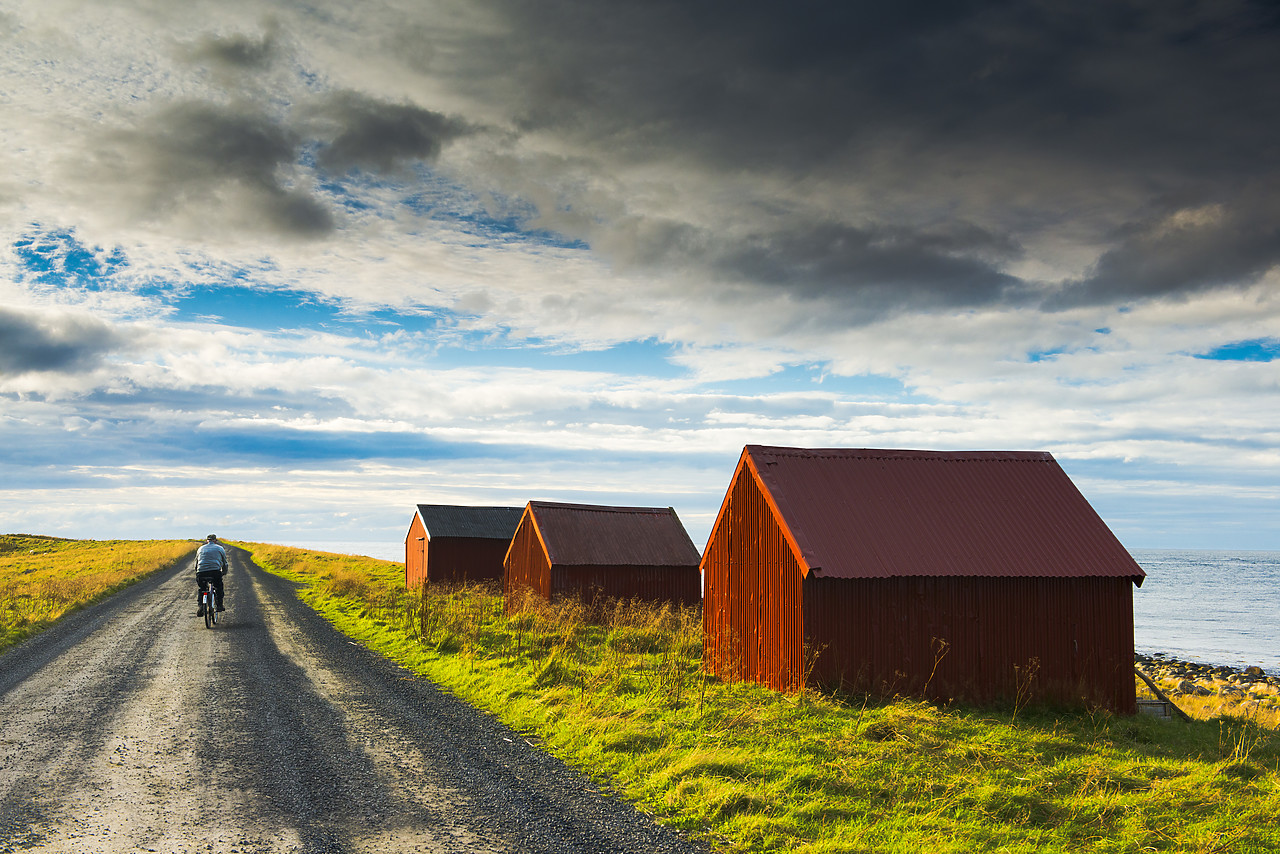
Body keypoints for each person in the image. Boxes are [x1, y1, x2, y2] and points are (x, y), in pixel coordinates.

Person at [195, 534, 228, 616]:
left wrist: (198, 571)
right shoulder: (220, 548)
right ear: (215, 540)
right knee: (218, 587)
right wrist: (224, 572)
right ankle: (219, 605)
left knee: (201, 589)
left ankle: (200, 606)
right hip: (215, 572)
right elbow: (225, 563)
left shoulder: (200, 548)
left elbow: (196, 563)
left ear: (207, 541)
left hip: (201, 572)